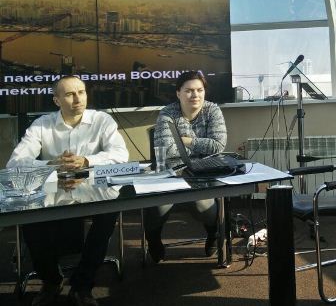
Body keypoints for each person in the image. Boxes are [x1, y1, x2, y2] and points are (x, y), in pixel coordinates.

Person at [7, 75, 129, 306]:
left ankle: (82, 286)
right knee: (29, 219)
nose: (78, 99)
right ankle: (51, 280)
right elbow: (15, 164)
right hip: (53, 191)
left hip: (94, 190)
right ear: (56, 100)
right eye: (70, 94)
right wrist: (50, 164)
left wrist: (87, 160)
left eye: (81, 92)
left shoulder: (102, 120)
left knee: (107, 215)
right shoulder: (42, 124)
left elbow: (121, 156)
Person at [143, 71, 227, 263]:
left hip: (204, 173)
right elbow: (168, 150)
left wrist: (186, 140)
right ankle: (153, 239)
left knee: (205, 206)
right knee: (158, 206)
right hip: (172, 173)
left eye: (199, 90)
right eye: (189, 90)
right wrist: (200, 147)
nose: (195, 95)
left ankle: (213, 233)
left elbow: (218, 145)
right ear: (178, 93)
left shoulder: (213, 110)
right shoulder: (167, 113)